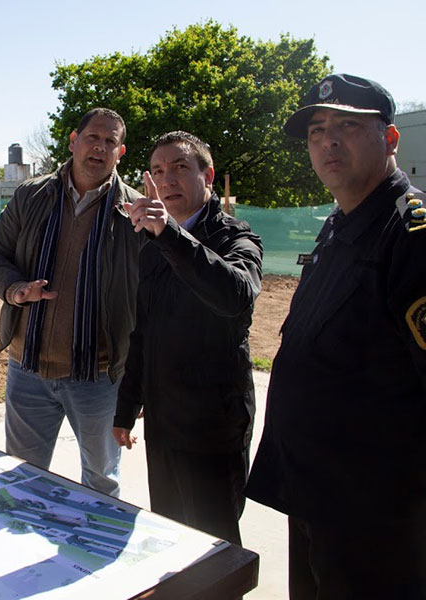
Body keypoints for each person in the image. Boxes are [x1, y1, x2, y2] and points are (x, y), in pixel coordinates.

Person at [245, 74, 426, 598]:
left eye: (346, 126)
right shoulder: (338, 224)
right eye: (316, 131)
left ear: (390, 139)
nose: (328, 141)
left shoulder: (411, 233)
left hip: (375, 514)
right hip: (315, 492)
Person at [0, 108, 144, 497]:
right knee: (22, 478)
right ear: (73, 141)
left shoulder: (135, 212)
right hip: (28, 368)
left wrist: (139, 384)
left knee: (101, 482)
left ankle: (91, 536)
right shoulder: (31, 195)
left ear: (120, 153)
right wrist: (15, 289)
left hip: (98, 378)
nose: (99, 147)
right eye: (92, 137)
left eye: (110, 142)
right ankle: (21, 531)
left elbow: (151, 301)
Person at [112, 131, 263, 544]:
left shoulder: (236, 238)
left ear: (207, 176)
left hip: (213, 424)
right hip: (164, 423)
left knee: (214, 546)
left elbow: (234, 296)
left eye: (179, 167)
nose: (168, 180)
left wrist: (170, 235)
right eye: (158, 171)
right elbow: (144, 330)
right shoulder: (153, 245)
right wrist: (127, 408)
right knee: (171, 534)